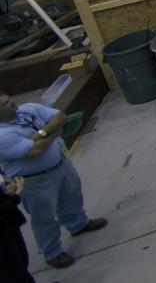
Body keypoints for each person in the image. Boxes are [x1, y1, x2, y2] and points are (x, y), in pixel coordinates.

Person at [0, 93, 107, 271]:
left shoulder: (28, 109)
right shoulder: (2, 136)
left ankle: (78, 223)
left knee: (72, 196)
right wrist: (54, 130)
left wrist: (41, 133)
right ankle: (52, 252)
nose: (12, 103)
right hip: (35, 181)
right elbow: (35, 151)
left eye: (9, 99)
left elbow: (60, 116)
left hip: (61, 165)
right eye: (5, 104)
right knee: (44, 218)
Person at [1, 172, 34, 282]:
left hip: (8, 223)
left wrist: (8, 185)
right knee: (13, 273)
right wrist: (15, 196)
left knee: (22, 263)